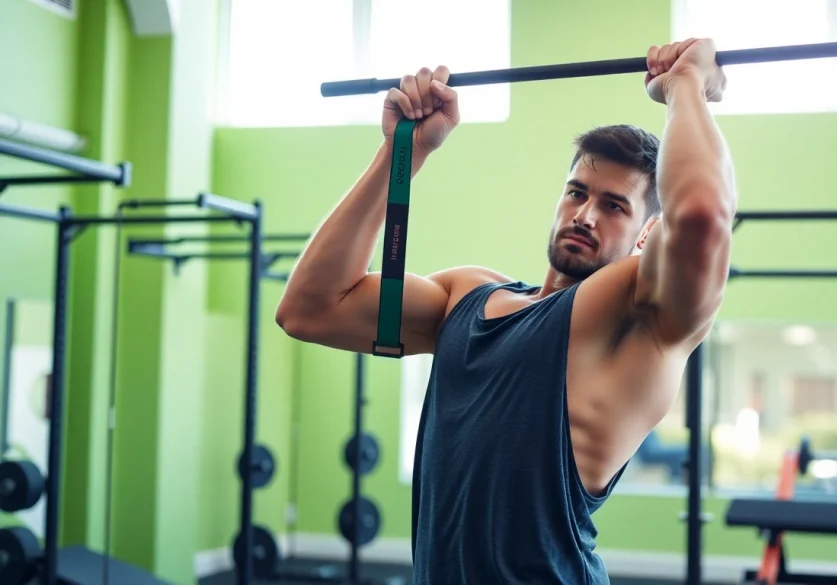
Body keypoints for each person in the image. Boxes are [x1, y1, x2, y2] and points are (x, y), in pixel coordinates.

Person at [276, 38, 735, 585]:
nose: (585, 215)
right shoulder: (466, 297)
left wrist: (687, 86)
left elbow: (702, 217)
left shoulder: (636, 321)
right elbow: (309, 308)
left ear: (647, 234)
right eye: (576, 192)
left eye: (614, 206)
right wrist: (405, 150)